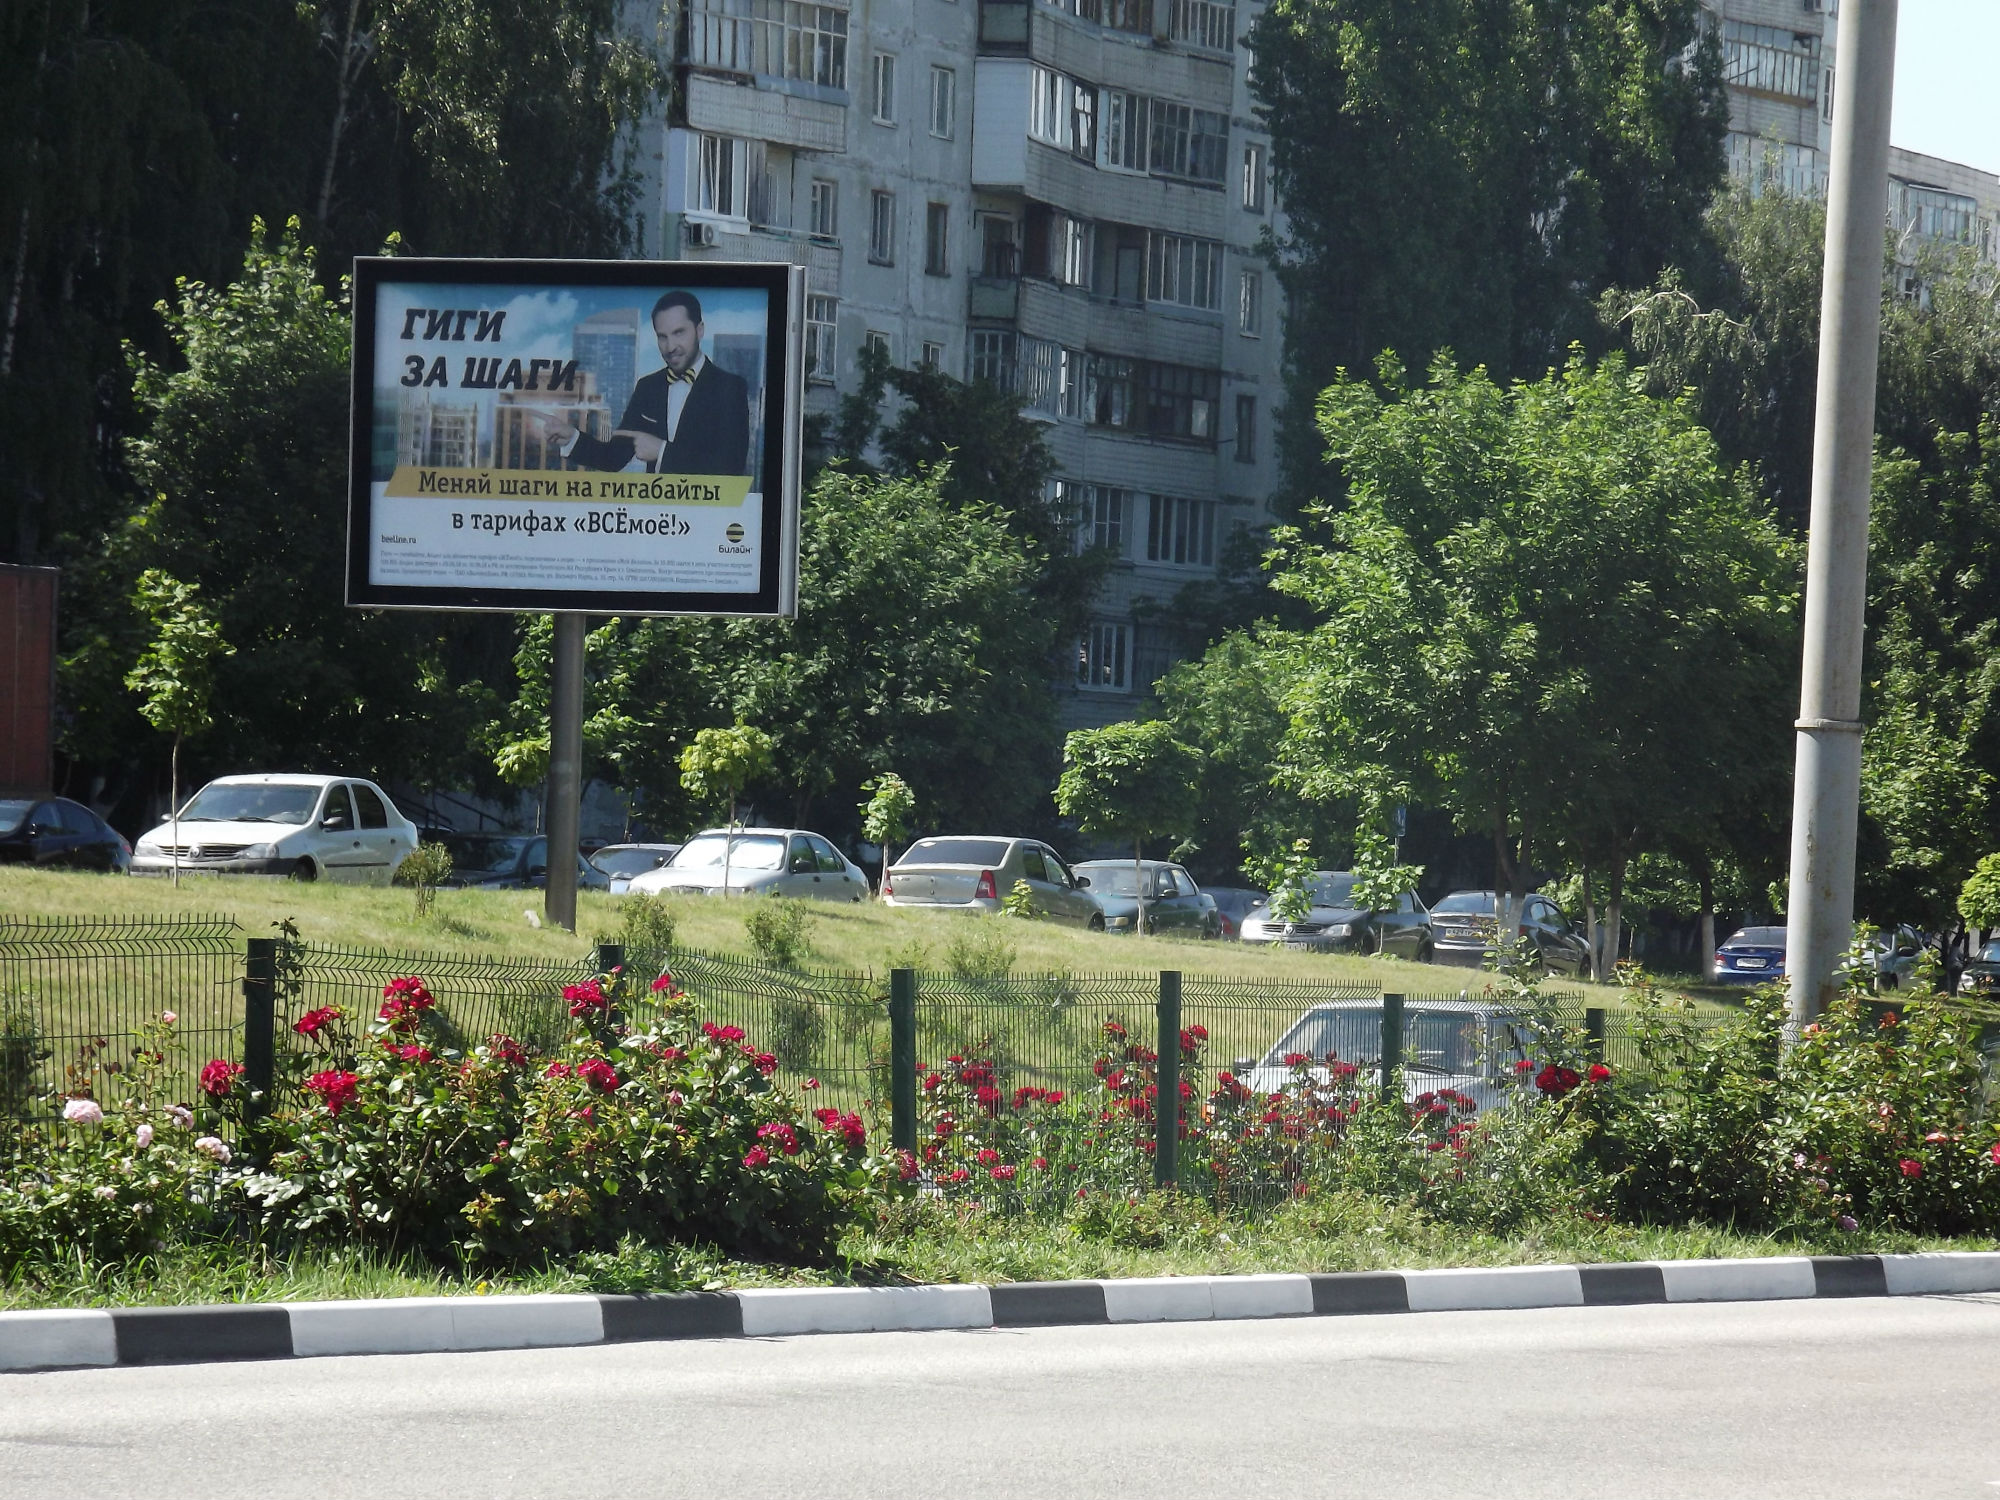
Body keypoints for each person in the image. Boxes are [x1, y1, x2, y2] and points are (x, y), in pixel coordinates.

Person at [540, 291, 752, 476]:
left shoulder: (730, 387)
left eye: (679, 333)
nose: (670, 347)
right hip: (654, 518)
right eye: (662, 337)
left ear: (699, 330)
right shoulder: (648, 386)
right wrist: (571, 437)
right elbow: (613, 458)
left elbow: (730, 467)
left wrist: (661, 451)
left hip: (705, 518)